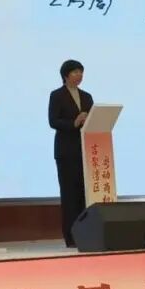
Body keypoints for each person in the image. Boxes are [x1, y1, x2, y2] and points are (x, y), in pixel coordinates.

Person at [48, 59, 94, 248]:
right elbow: (53, 121)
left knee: (84, 194)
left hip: (85, 151)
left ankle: (86, 234)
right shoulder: (57, 95)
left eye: (81, 72)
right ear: (65, 75)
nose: (79, 75)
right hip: (66, 151)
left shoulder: (87, 96)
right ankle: (71, 237)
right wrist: (73, 123)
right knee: (69, 195)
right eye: (75, 72)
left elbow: (92, 121)